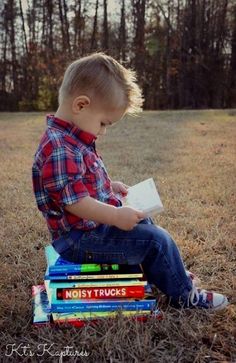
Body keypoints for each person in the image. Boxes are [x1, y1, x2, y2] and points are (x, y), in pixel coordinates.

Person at [32, 52, 228, 310]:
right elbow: (76, 203)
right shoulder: (60, 147)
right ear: (81, 105)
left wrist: (109, 188)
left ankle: (169, 274)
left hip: (90, 230)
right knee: (156, 240)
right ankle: (184, 295)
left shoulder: (71, 140)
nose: (103, 131)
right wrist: (114, 215)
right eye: (103, 123)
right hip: (80, 241)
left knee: (142, 220)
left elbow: (80, 182)